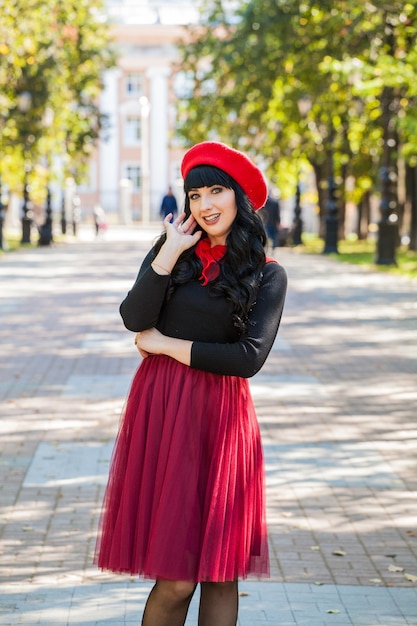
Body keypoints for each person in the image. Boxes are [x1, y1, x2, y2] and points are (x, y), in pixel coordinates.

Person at [95, 141, 287, 626]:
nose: (204, 205)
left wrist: (163, 345)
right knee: (178, 576)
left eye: (216, 191)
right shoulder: (171, 254)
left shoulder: (266, 275)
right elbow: (132, 317)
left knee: (221, 572)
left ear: (238, 199)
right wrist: (168, 252)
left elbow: (247, 359)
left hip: (221, 418)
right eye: (195, 194)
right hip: (163, 409)